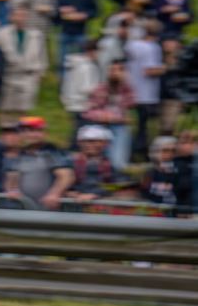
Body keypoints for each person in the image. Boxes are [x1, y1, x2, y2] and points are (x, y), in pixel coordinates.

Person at [7, 116, 74, 209]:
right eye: (25, 131)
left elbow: (66, 176)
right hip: (23, 210)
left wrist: (54, 194)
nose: (30, 135)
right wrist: (12, 189)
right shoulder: (19, 154)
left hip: (50, 211)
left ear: (43, 133)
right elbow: (11, 177)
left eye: (35, 131)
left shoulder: (52, 151)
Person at [0, 6, 48, 116]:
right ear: (11, 17)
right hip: (8, 74)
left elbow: (42, 55)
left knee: (25, 108)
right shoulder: (1, 34)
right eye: (17, 15)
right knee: (6, 107)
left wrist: (40, 73)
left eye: (23, 15)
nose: (20, 18)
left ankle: (23, 130)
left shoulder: (36, 34)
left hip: (29, 75)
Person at [84, 60, 135, 170]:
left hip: (119, 127)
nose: (115, 73)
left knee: (121, 131)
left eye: (119, 70)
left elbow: (130, 116)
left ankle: (118, 166)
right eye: (113, 70)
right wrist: (104, 116)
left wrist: (116, 118)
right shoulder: (101, 89)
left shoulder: (128, 91)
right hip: (100, 126)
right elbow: (88, 111)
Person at [125, 21, 165, 161]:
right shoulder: (152, 48)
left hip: (131, 91)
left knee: (134, 125)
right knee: (145, 127)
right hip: (147, 93)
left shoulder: (131, 45)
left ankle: (130, 153)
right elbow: (150, 70)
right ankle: (141, 154)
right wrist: (169, 67)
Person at [55, 0, 98, 75]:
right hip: (65, 31)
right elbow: (55, 9)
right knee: (63, 64)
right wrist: (61, 10)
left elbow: (96, 11)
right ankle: (63, 89)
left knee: (82, 63)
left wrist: (85, 15)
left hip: (81, 32)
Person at [61, 37, 102, 134]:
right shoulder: (87, 67)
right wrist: (99, 90)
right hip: (82, 105)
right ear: (92, 51)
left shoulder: (76, 64)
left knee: (78, 129)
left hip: (74, 103)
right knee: (82, 131)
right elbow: (84, 88)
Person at [68, 125, 116, 201]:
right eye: (85, 141)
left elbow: (116, 185)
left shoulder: (110, 165)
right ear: (79, 143)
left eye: (94, 141)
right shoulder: (69, 162)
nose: (89, 145)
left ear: (105, 143)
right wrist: (68, 193)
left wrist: (96, 194)